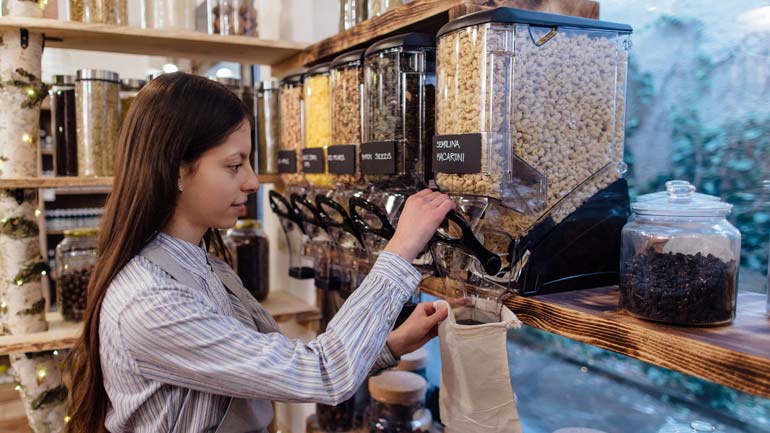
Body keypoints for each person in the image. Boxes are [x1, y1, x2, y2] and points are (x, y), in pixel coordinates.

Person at [67, 72, 456, 433]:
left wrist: (391, 345)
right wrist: (402, 246)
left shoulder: (206, 265)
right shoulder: (151, 301)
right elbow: (322, 372)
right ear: (177, 171)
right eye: (234, 165)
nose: (253, 181)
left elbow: (282, 364)